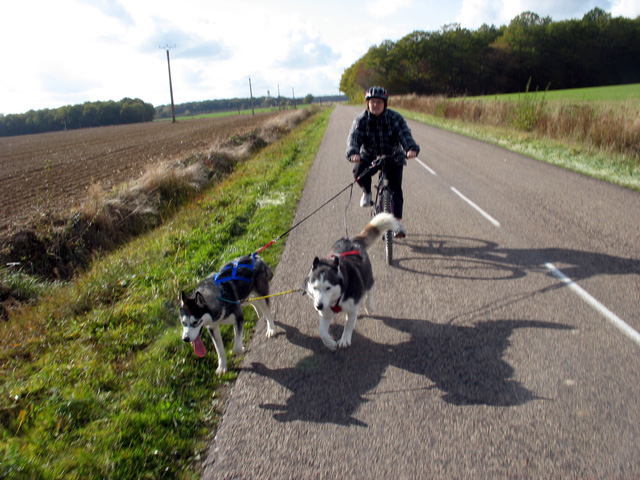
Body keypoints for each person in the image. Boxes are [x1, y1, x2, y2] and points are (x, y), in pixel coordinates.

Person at [346, 86, 419, 238]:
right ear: (368, 104)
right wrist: (353, 152)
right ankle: (367, 192)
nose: (376, 105)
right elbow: (354, 138)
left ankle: (397, 223)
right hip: (369, 157)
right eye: (372, 102)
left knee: (396, 187)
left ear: (385, 104)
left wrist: (410, 148)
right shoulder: (361, 120)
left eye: (379, 102)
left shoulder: (394, 118)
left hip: (392, 157)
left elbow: (405, 134)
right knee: (358, 170)